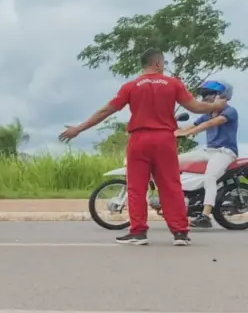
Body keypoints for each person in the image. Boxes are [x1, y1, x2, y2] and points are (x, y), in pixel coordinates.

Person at [60, 49, 226, 246]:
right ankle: (180, 233)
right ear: (157, 63)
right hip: (165, 140)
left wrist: (78, 129)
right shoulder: (173, 84)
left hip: (139, 140)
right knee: (171, 186)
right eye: (163, 63)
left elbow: (106, 111)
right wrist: (216, 106)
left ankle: (138, 232)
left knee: (136, 188)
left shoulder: (130, 86)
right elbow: (196, 107)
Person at [175, 80, 238, 229]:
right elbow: (192, 125)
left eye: (209, 94)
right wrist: (173, 133)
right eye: (204, 95)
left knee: (210, 177)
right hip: (209, 151)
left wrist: (187, 133)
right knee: (173, 161)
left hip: (225, 152)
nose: (205, 98)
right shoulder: (208, 114)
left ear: (221, 96)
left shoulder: (230, 111)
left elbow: (210, 124)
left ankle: (205, 216)